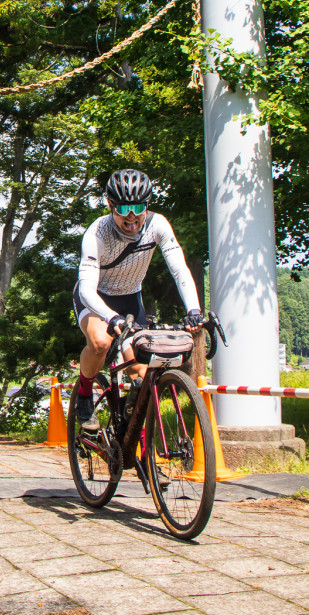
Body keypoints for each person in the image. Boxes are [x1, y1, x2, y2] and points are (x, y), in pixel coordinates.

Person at [73, 169, 203, 430]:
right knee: (100, 343)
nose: (131, 216)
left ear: (147, 204)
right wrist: (111, 318)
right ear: (111, 205)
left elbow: (179, 269)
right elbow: (87, 289)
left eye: (138, 207)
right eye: (123, 208)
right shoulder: (97, 232)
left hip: (131, 298)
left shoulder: (158, 224)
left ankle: (132, 430)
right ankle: (85, 394)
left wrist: (194, 309)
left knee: (142, 375)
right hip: (97, 299)